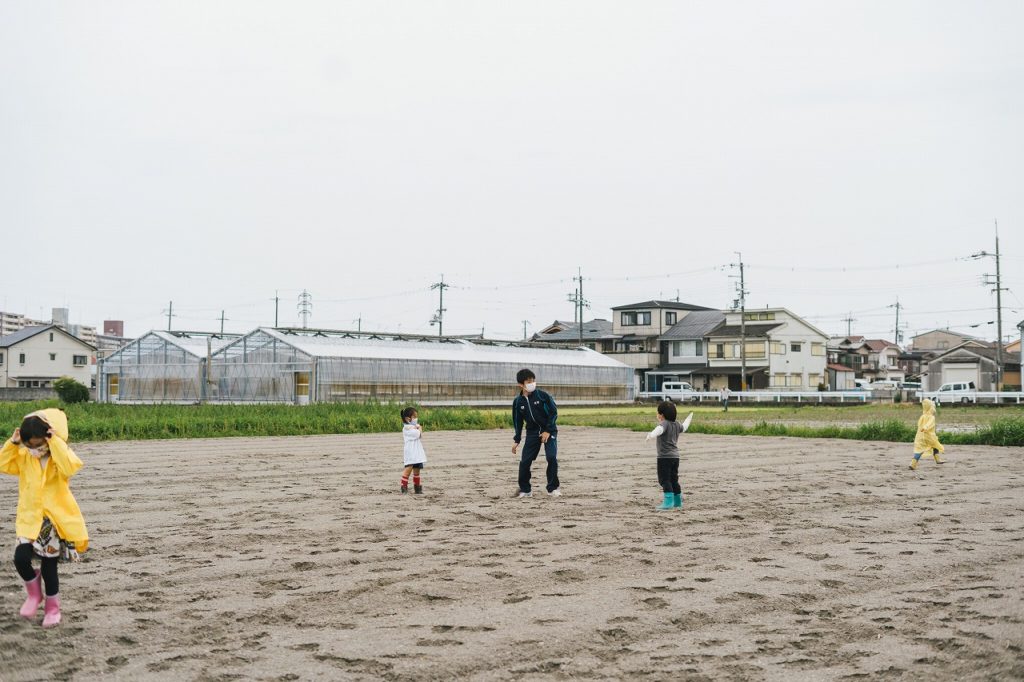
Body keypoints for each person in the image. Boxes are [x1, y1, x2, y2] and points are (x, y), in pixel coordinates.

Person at [1, 408, 89, 628]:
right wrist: (13, 444)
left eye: (37, 444)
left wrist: (56, 442)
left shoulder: (59, 457)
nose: (33, 449)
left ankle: (53, 609)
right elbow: (3, 464)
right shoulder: (23, 457)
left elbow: (71, 466)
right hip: (29, 518)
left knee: (49, 568)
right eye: (28, 444)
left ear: (48, 437)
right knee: (21, 559)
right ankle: (34, 595)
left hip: (53, 520)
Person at [511, 368, 559, 498]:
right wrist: (517, 440)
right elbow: (518, 422)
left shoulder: (543, 396)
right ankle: (525, 490)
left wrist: (548, 430)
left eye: (533, 380)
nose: (532, 383)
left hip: (549, 430)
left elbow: (553, 413)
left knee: (551, 457)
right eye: (528, 381)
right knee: (525, 461)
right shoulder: (518, 402)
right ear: (521, 384)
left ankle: (552, 488)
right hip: (532, 432)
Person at [645, 401, 686, 510]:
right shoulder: (677, 424)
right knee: (674, 479)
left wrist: (650, 435)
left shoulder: (664, 424)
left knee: (664, 480)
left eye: (658, 413)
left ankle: (668, 503)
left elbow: (659, 430)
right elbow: (684, 427)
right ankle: (677, 502)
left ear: (661, 415)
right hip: (675, 457)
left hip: (664, 457)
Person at [910, 398, 945, 470]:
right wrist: (925, 427)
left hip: (920, 436)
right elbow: (929, 424)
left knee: (919, 450)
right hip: (929, 436)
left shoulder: (922, 416)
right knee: (935, 445)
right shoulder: (932, 417)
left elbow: (919, 425)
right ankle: (937, 459)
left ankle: (913, 463)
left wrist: (922, 429)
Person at [400, 407, 426, 494]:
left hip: (417, 452)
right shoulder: (407, 428)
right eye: (414, 417)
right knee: (408, 469)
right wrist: (419, 428)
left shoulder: (412, 427)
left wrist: (417, 428)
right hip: (411, 452)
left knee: (417, 470)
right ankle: (404, 487)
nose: (416, 419)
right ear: (408, 418)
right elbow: (418, 434)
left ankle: (417, 488)